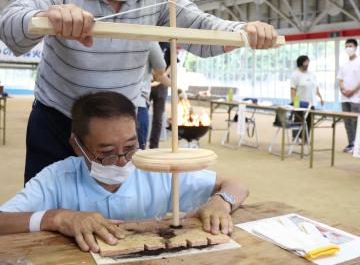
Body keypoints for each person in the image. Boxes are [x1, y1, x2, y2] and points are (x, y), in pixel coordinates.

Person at [0, 0, 277, 183]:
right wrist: (44, 17)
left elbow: (199, 27)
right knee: (43, 205)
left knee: (122, 204)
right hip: (58, 118)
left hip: (125, 124)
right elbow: (10, 25)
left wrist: (240, 31)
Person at [0, 91, 249, 253]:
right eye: (106, 152)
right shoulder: (57, 178)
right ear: (77, 146)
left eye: (130, 148)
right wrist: (57, 218)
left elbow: (236, 185)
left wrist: (221, 202)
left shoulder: (156, 168)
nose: (121, 162)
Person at [137, 42, 170, 149]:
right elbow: (160, 70)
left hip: (112, 98)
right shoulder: (150, 39)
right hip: (139, 99)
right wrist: (173, 84)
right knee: (138, 149)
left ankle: (154, 146)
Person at [290, 55, 324, 141]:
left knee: (309, 122)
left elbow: (315, 87)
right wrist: (295, 103)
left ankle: (305, 138)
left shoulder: (312, 74)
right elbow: (293, 90)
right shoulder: (295, 74)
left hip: (311, 103)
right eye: (306, 62)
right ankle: (296, 137)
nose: (307, 63)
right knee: (298, 120)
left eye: (308, 61)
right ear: (301, 63)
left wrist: (321, 97)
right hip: (300, 103)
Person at [337, 39, 360, 153]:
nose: (348, 48)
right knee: (347, 122)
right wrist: (343, 89)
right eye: (346, 46)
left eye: (350, 46)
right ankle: (351, 143)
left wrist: (352, 91)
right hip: (344, 98)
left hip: (356, 98)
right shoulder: (344, 65)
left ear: (355, 47)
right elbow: (340, 79)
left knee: (356, 122)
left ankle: (357, 145)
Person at [149, 42, 171, 148]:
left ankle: (154, 146)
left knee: (158, 118)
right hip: (146, 83)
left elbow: (173, 63)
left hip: (162, 85)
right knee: (140, 115)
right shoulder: (150, 41)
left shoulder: (168, 43)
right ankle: (139, 145)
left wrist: (162, 76)